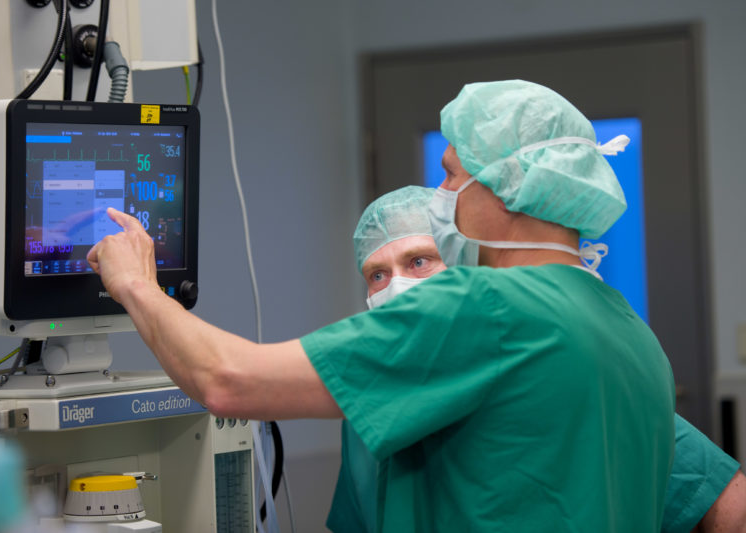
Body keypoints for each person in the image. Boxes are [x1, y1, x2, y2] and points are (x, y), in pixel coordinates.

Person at [88, 79, 676, 531]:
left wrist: (138, 284)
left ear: (509, 185)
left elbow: (226, 380)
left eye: (451, 177)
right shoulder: (627, 329)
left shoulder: (485, 307)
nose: (441, 198)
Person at [337, 184, 745, 533]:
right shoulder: (366, 409)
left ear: (464, 260)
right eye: (377, 275)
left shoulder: (540, 366)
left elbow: (728, 503)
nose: (397, 288)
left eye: (419, 261)